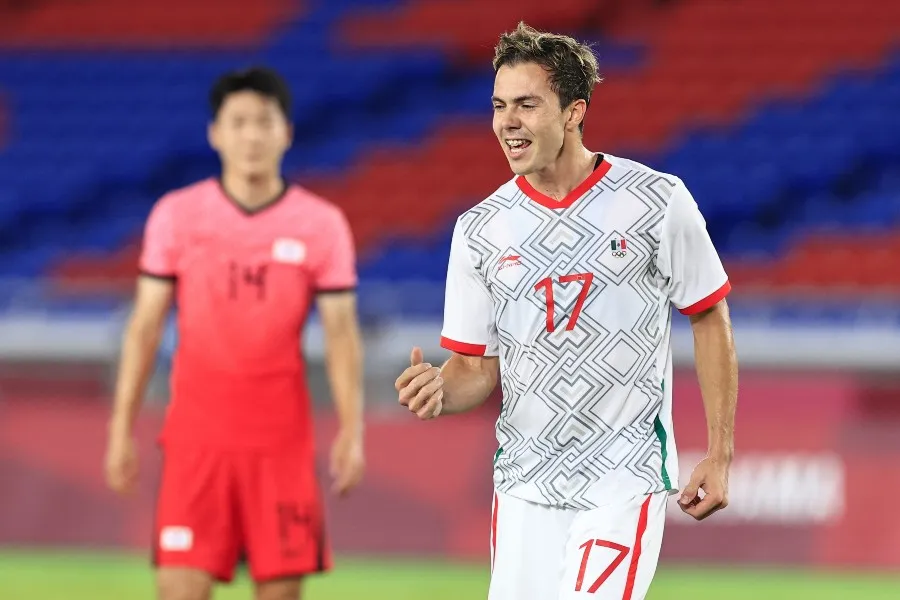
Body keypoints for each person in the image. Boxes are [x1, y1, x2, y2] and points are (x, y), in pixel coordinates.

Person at [394, 22, 738, 600]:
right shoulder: (479, 229)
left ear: (574, 111)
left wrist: (721, 451)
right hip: (524, 484)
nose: (507, 122)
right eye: (500, 105)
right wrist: (438, 392)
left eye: (527, 104)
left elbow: (709, 316)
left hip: (622, 478)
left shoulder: (654, 201)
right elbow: (476, 369)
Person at [104, 67, 365, 600]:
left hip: (281, 445)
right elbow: (144, 327)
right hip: (196, 443)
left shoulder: (322, 223)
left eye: (263, 122)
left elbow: (341, 334)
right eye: (238, 122)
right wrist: (120, 428)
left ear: (286, 132)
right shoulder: (176, 216)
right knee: (178, 590)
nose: (251, 135)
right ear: (215, 133)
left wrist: (352, 429)